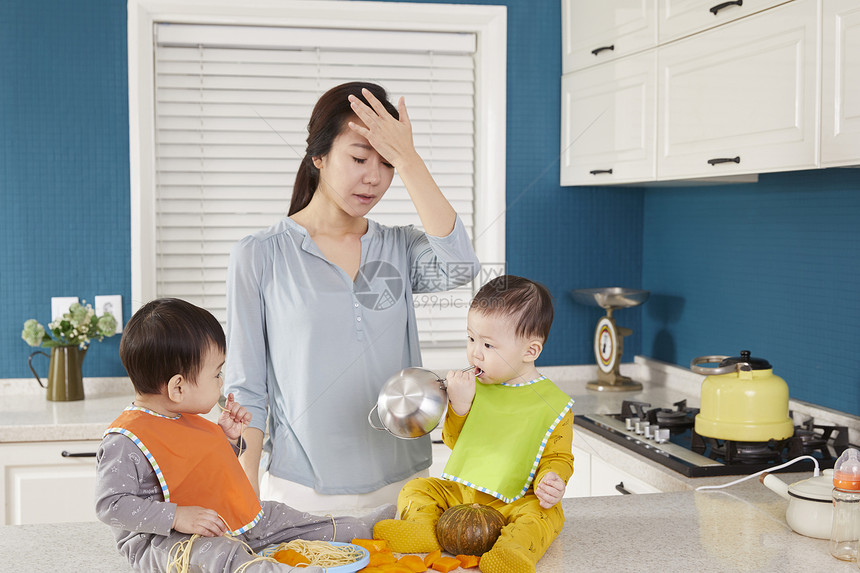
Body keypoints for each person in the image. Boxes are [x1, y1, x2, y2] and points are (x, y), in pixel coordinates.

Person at [224, 81, 480, 511]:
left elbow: (461, 266)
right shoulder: (261, 254)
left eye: (388, 163)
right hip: (303, 492)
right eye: (359, 157)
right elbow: (247, 390)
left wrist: (410, 159)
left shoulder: (400, 247)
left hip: (408, 486)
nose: (374, 177)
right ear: (319, 156)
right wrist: (244, 501)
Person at [95, 298, 394, 573]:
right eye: (216, 374)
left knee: (282, 517)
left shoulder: (183, 417)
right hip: (163, 542)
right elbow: (111, 505)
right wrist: (176, 517)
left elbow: (201, 472)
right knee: (220, 555)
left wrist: (228, 440)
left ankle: (359, 527)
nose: (221, 381)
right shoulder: (124, 440)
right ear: (178, 387)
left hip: (220, 518)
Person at [373, 275, 575, 573]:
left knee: (546, 515)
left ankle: (512, 551)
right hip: (461, 496)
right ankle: (422, 530)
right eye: (471, 339)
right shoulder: (474, 387)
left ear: (530, 351)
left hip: (515, 501)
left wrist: (553, 479)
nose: (475, 353)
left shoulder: (555, 405)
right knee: (418, 487)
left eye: (488, 345)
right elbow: (455, 441)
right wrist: (460, 405)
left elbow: (559, 457)